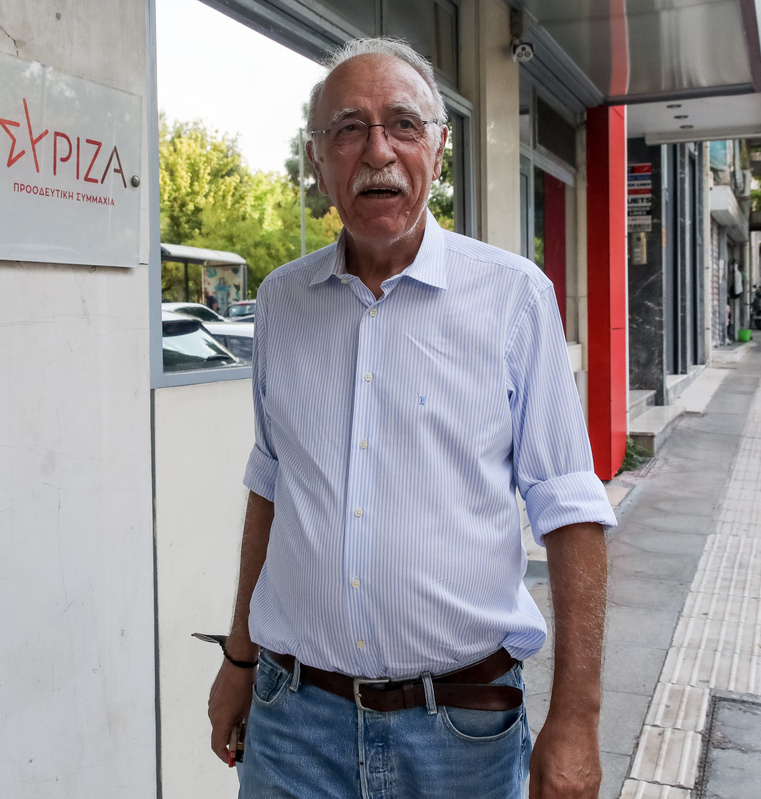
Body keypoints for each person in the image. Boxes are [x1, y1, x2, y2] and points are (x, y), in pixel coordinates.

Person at [206, 40, 616, 799]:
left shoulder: (514, 298)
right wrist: (238, 658)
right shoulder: (281, 301)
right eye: (348, 128)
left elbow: (571, 511)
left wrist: (577, 717)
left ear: (440, 146)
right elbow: (273, 486)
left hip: (461, 732)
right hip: (293, 723)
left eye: (403, 123)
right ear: (317, 158)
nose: (378, 152)